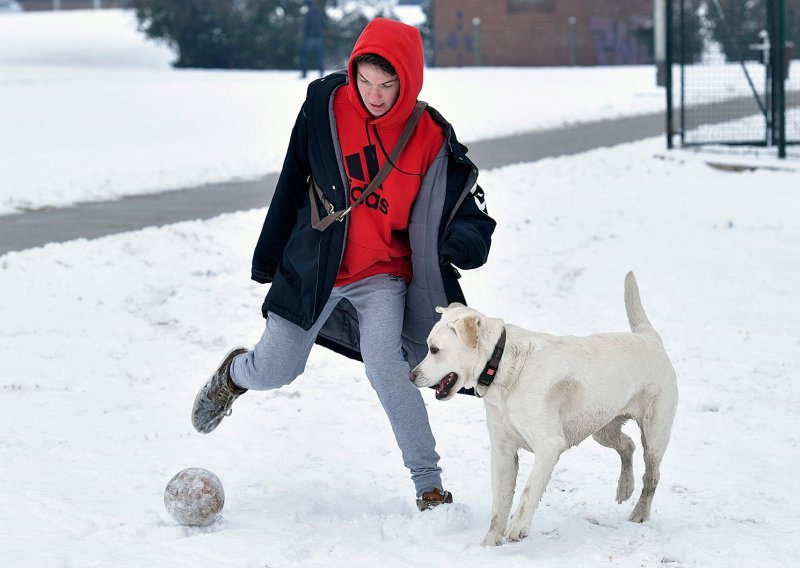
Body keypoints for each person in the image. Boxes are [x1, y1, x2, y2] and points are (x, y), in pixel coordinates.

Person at [192, 17, 496, 511]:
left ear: (410, 80)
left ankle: (428, 484)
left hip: (384, 274)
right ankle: (234, 375)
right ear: (352, 73)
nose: (374, 95)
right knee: (277, 369)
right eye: (366, 81)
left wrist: (459, 244)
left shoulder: (429, 136)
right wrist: (270, 256)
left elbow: (468, 207)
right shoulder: (325, 107)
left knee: (388, 367)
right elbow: (292, 179)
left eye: (387, 84)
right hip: (316, 266)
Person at [300, 0, 325, 79]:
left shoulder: (308, 13)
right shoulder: (319, 12)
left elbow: (305, 26)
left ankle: (304, 73)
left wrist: (305, 34)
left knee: (304, 55)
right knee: (319, 56)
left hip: (309, 38)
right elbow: (323, 24)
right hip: (319, 38)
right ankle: (321, 72)